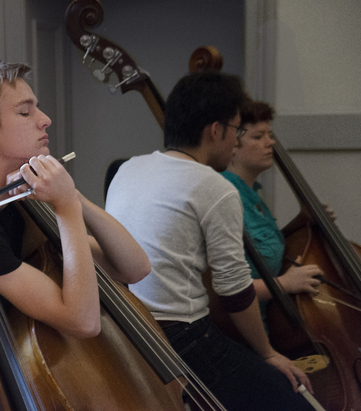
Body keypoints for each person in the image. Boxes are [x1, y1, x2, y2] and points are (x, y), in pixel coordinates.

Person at [105, 70, 315, 410]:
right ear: (215, 130)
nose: (235, 141)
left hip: (130, 330)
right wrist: (268, 353)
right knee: (296, 400)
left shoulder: (128, 168)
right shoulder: (216, 187)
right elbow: (233, 290)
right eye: (236, 129)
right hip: (184, 338)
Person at [0, 61, 151, 339]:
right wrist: (66, 207)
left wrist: (73, 196)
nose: (45, 119)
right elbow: (83, 322)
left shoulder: (19, 201)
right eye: (24, 112)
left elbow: (135, 268)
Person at [221, 99, 323, 328]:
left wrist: (300, 223)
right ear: (232, 146)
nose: (271, 143)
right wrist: (285, 284)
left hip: (268, 326)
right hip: (241, 332)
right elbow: (228, 286)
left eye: (270, 135)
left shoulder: (253, 194)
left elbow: (259, 252)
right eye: (258, 137)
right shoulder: (226, 196)